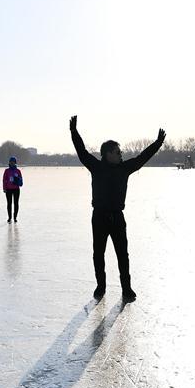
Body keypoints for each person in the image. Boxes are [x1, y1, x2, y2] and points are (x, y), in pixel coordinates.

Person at [70, 115, 165, 302]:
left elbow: (143, 157)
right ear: (107, 154)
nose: (121, 154)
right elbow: (81, 151)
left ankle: (126, 289)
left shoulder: (125, 168)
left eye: (120, 152)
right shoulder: (96, 167)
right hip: (99, 217)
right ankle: (101, 286)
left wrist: (158, 143)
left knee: (123, 254)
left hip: (117, 217)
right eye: (117, 152)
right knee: (99, 253)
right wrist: (74, 132)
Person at [3, 155, 23, 223]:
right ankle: (9, 217)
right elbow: (4, 180)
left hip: (16, 189)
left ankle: (15, 217)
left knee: (16, 203)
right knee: (9, 203)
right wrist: (4, 188)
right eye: (11, 162)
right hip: (8, 189)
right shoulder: (6, 171)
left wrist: (18, 181)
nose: (12, 163)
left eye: (13, 162)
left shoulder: (18, 171)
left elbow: (21, 182)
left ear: (15, 162)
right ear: (9, 162)